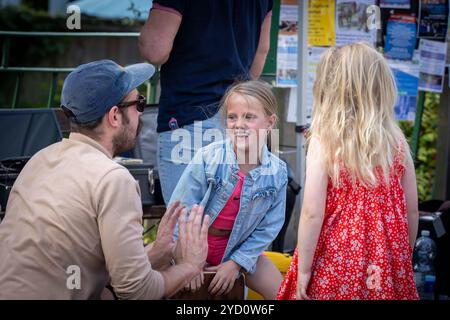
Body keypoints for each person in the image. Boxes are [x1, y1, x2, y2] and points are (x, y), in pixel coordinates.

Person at [0, 60, 209, 300]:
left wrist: (157, 252)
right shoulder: (113, 179)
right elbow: (138, 292)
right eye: (138, 104)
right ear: (114, 116)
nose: (141, 113)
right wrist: (190, 266)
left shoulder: (40, 159)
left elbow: (88, 270)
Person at [277, 43, 419, 300]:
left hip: (336, 257)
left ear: (330, 90)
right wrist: (401, 259)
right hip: (386, 261)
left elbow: (311, 213)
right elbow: (412, 210)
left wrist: (305, 270)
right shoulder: (396, 142)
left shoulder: (325, 142)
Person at [139, 0, 273, 204]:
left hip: (188, 116)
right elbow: (261, 52)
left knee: (184, 227)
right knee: (230, 226)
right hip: (239, 120)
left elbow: (155, 49)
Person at [169, 80, 287, 300]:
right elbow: (181, 210)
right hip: (194, 247)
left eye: (249, 117)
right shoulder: (208, 158)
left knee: (281, 292)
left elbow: (269, 227)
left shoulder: (277, 172)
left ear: (270, 123)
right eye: (232, 117)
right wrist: (187, 262)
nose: (239, 124)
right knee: (185, 294)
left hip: (239, 250)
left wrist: (236, 263)